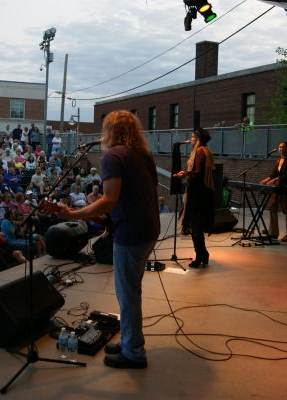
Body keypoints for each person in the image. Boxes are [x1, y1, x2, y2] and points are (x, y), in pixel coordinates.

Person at [58, 110, 160, 369]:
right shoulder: (142, 155)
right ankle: (128, 341)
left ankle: (133, 353)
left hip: (132, 233)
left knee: (127, 294)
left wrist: (74, 213)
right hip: (148, 229)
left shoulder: (113, 156)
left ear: (109, 131)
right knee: (131, 290)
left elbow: (110, 200)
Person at [174, 127, 215, 268]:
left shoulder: (200, 151)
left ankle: (200, 256)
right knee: (196, 226)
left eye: (192, 137)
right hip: (201, 192)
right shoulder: (205, 150)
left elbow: (198, 173)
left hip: (197, 193)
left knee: (195, 226)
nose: (190, 139)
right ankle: (203, 255)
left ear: (198, 139)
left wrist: (184, 173)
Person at [260, 140, 287, 242]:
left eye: (283, 147)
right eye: (280, 147)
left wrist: (274, 180)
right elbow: (274, 173)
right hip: (278, 188)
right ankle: (273, 232)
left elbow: (286, 174)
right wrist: (267, 179)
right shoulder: (278, 160)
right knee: (272, 207)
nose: (281, 149)